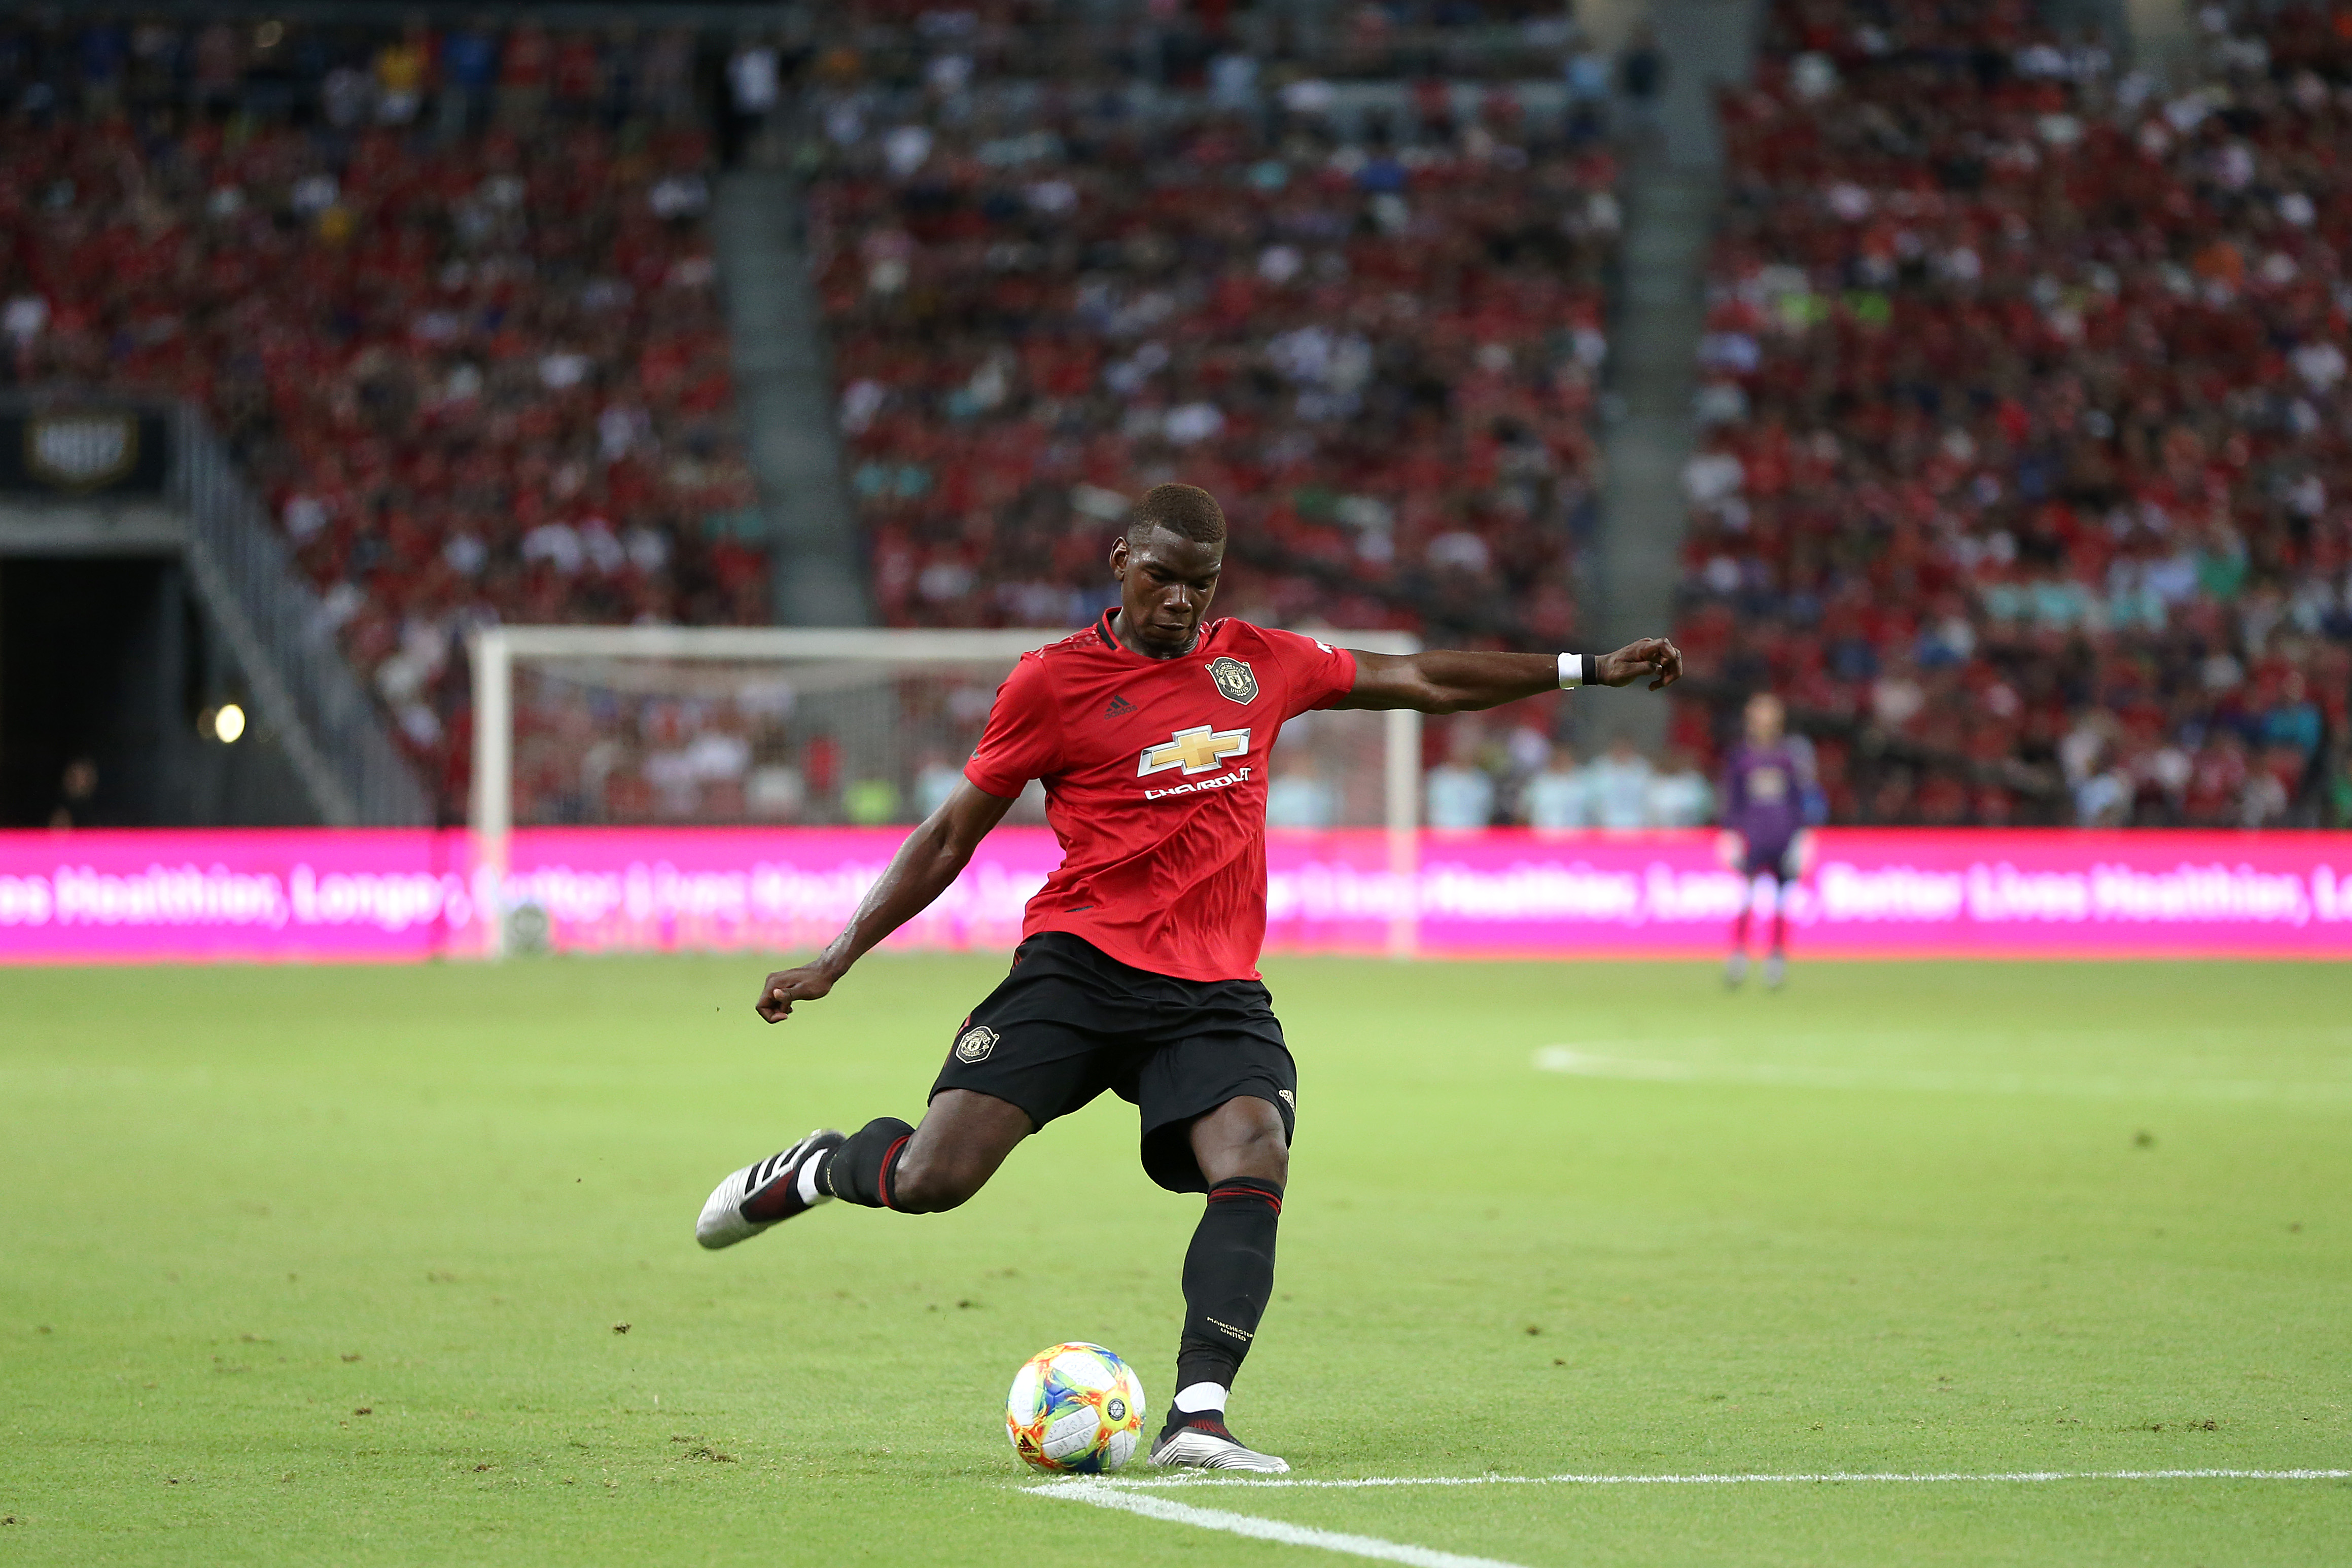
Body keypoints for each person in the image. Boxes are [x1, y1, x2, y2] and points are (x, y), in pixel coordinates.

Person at [693, 484, 1683, 1473]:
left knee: (1252, 1153)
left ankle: (1197, 1415)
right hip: (1076, 967)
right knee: (930, 1180)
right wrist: (836, 956)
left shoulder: (1258, 661)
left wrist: (1583, 668)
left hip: (1210, 989)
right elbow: (952, 835)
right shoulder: (1049, 684)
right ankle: (825, 1165)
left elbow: (1417, 676)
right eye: (1162, 577)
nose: (1179, 601)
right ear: (1120, 560)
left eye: (1198, 586)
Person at [1717, 693, 1819, 989]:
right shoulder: (1741, 757)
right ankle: (1738, 956)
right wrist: (1729, 833)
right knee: (1746, 896)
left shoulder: (1788, 757)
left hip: (1783, 834)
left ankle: (1776, 959)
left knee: (1782, 899)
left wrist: (1803, 835)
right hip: (1752, 835)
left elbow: (1799, 799)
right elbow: (1733, 799)